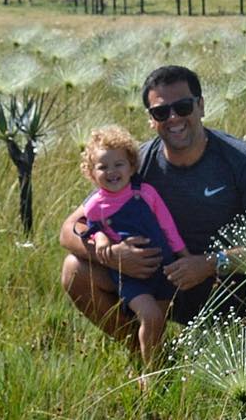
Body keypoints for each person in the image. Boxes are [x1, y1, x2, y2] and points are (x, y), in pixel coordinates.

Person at [60, 64, 246, 345]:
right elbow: (69, 229)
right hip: (164, 281)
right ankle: (149, 356)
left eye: (183, 106)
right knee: (74, 271)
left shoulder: (243, 161)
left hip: (238, 282)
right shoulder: (135, 164)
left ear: (201, 106)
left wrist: (208, 264)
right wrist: (112, 255)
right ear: (151, 120)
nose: (173, 118)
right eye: (161, 112)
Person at [78, 125, 188, 365]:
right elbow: (89, 229)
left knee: (157, 322)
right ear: (90, 172)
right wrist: (101, 238)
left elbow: (167, 226)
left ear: (131, 166)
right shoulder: (94, 206)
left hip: (163, 269)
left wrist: (183, 254)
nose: (112, 172)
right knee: (149, 316)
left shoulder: (145, 192)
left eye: (118, 164)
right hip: (129, 277)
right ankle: (149, 377)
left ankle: (154, 365)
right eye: (102, 167)